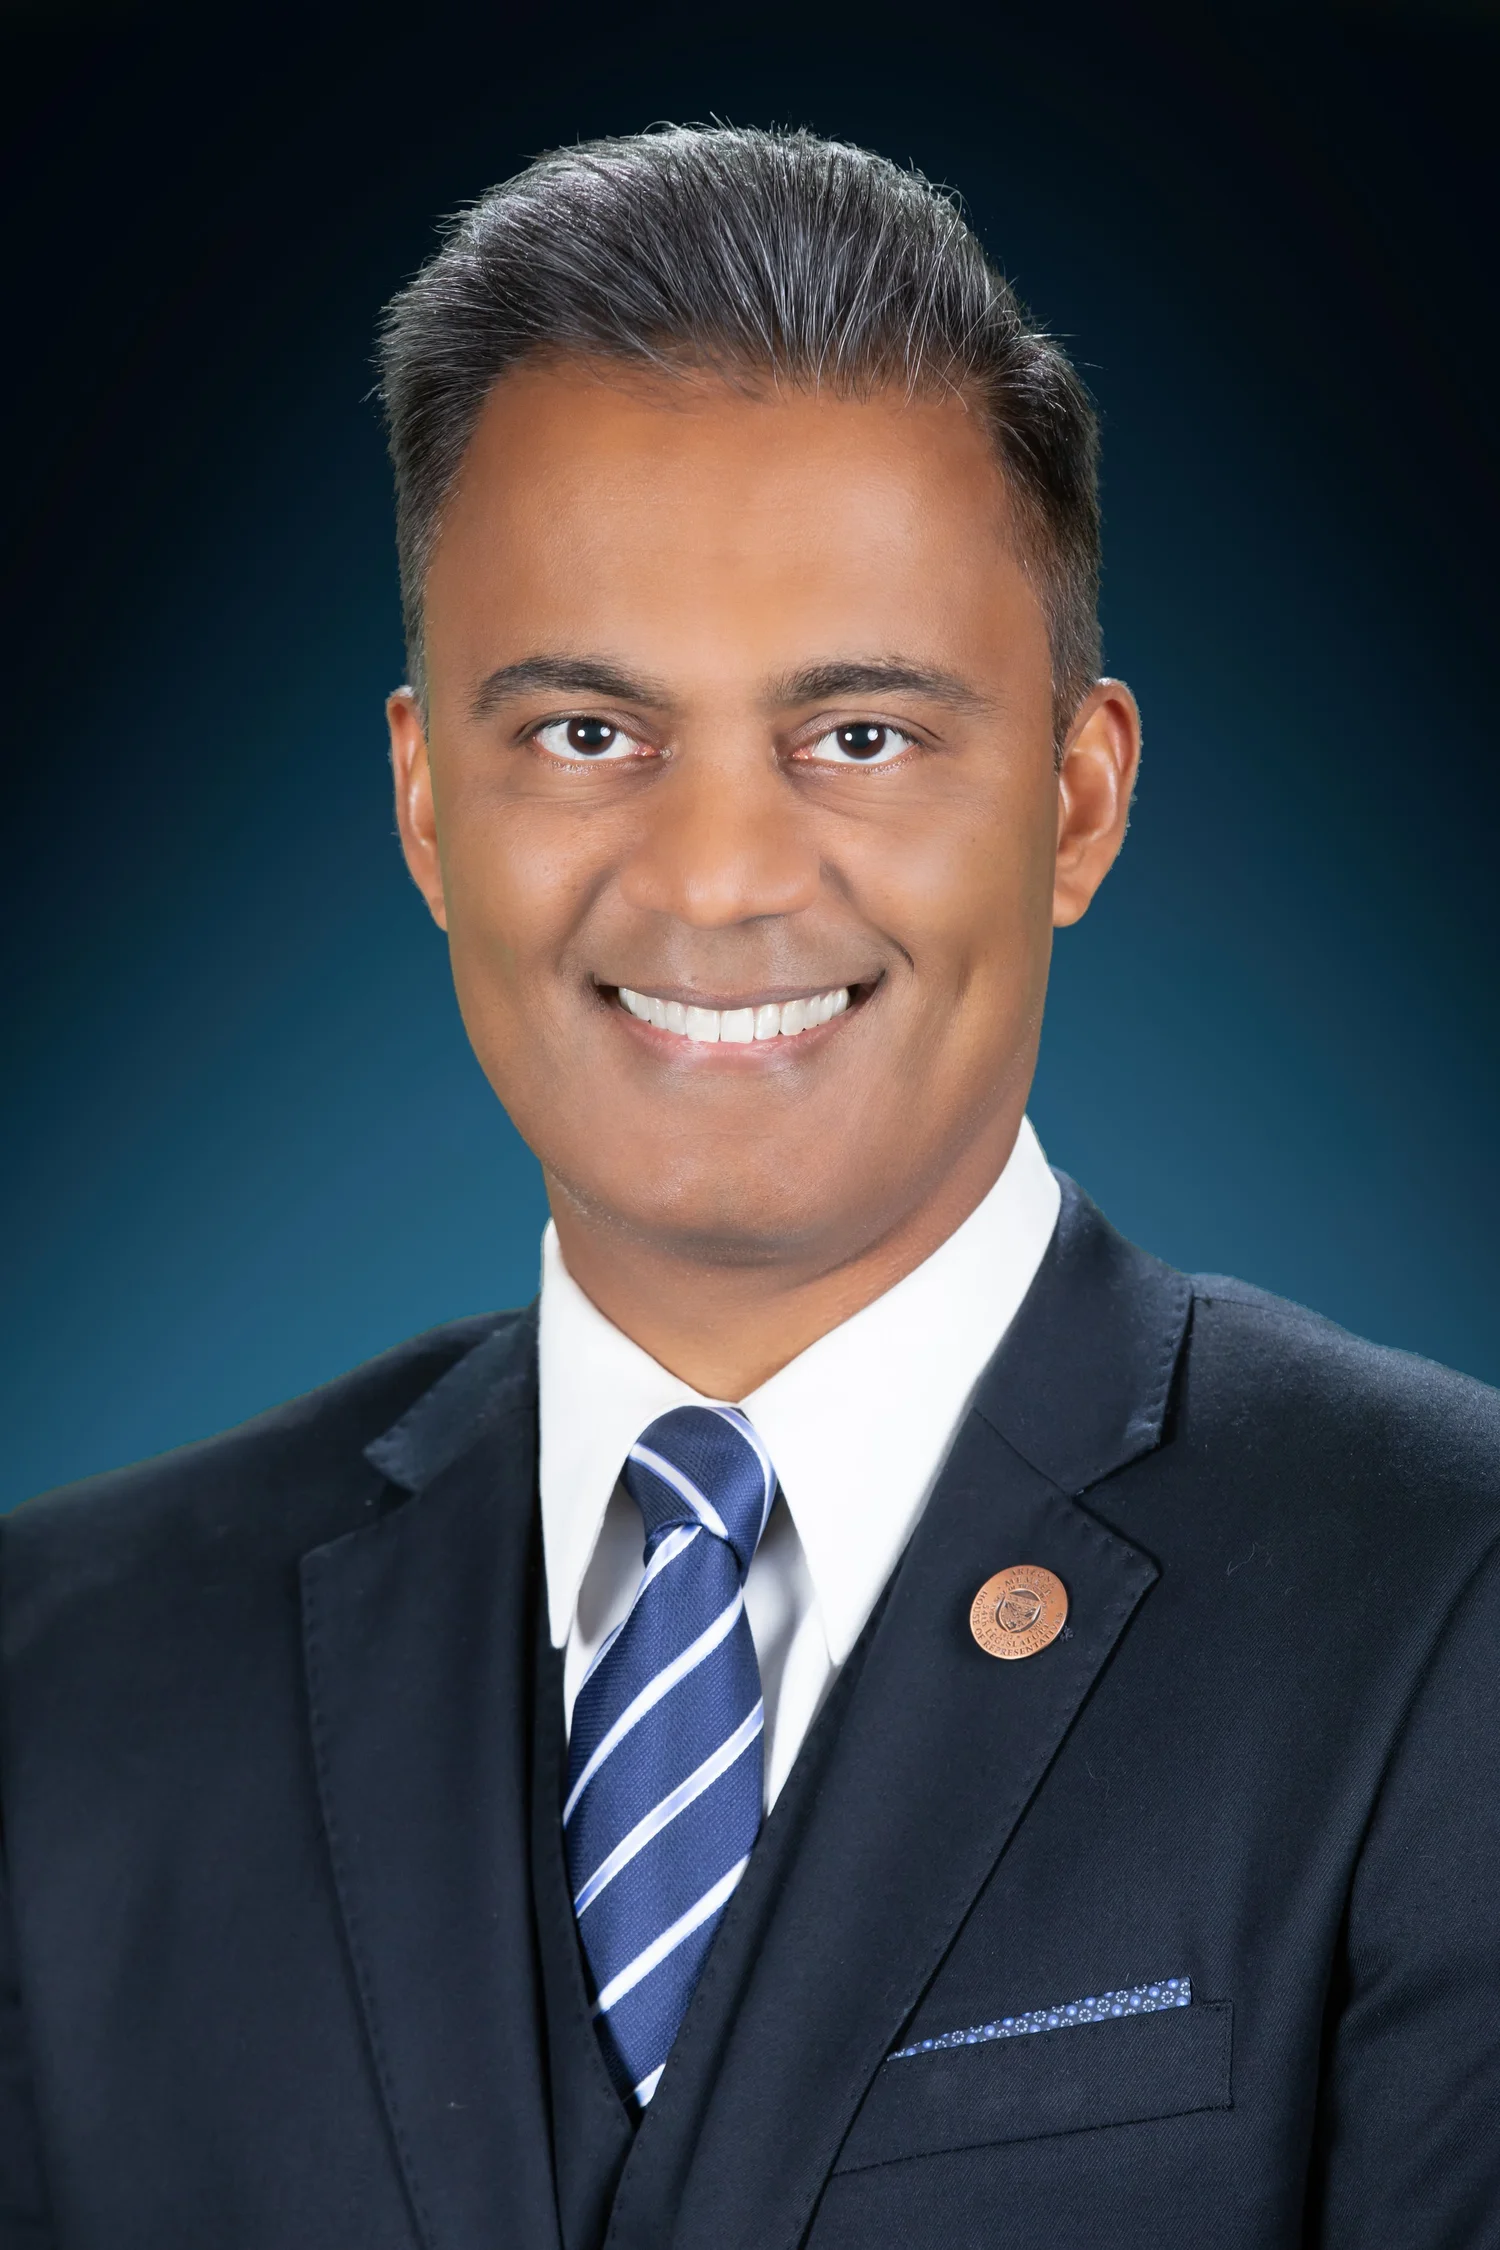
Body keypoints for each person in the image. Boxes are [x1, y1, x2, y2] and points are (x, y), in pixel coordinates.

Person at [2, 124, 1497, 2250]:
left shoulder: (1445, 1611)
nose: (715, 881)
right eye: (587, 735)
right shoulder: (64, 1680)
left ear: (1077, 801)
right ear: (426, 807)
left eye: (861, 736)